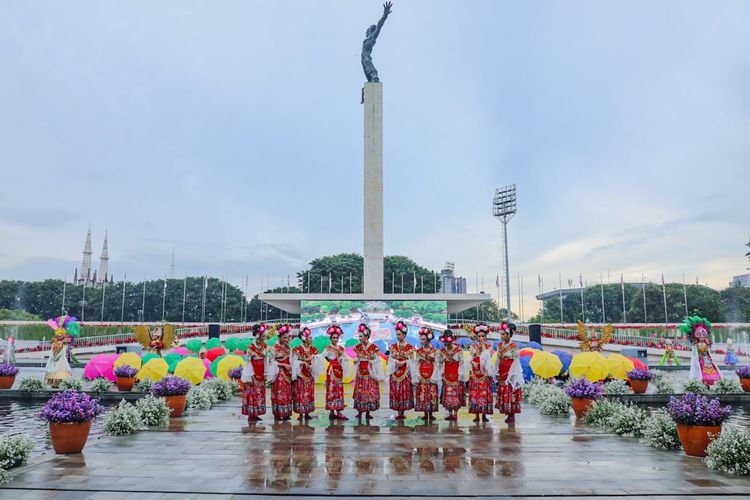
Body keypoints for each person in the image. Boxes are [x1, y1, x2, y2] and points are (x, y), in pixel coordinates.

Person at [291, 327, 324, 420]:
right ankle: (301, 414)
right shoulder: (298, 349)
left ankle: (307, 413)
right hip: (301, 375)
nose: (311, 339)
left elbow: (319, 359)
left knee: (309, 393)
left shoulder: (313, 350)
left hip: (310, 375)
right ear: (304, 339)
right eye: (310, 338)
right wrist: (303, 362)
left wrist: (314, 358)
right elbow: (294, 362)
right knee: (301, 393)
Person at [494, 322, 524, 424]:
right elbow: (497, 359)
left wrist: (512, 374)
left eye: (503, 334)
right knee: (504, 391)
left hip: (511, 371)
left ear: (509, 334)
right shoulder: (499, 345)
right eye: (501, 334)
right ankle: (507, 412)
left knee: (511, 391)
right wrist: (496, 371)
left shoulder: (514, 346)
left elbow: (516, 361)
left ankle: (512, 414)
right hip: (502, 371)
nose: (501, 336)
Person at [353, 323, 383, 419]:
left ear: (366, 336)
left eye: (361, 336)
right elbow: (356, 357)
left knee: (369, 391)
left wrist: (371, 360)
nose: (359, 338)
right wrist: (355, 359)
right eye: (359, 336)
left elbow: (378, 360)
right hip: (360, 372)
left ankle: (367, 413)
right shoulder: (357, 347)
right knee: (360, 391)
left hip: (370, 373)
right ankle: (360, 411)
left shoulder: (374, 347)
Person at [241, 323, 269, 422]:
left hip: (261, 372)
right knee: (252, 392)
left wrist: (266, 373)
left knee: (259, 393)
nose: (265, 338)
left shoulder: (265, 346)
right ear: (258, 335)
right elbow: (248, 363)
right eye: (263, 336)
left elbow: (265, 360)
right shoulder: (251, 348)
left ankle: (256, 413)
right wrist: (252, 376)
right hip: (252, 371)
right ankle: (251, 414)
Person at [466, 323, 494, 422]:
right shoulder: (473, 346)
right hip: (474, 374)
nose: (481, 338)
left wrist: (483, 347)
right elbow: (469, 357)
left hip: (484, 374)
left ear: (486, 336)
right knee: (475, 393)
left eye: (483, 336)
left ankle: (484, 415)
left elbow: (488, 357)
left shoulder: (489, 346)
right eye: (479, 336)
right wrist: (472, 362)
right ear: (476, 336)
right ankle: (476, 415)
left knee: (484, 393)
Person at [682, 316, 721, 387]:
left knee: (710, 371)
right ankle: (703, 382)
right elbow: (695, 354)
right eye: (701, 337)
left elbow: (708, 351)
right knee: (701, 371)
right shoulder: (696, 345)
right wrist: (699, 357)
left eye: (704, 337)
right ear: (698, 337)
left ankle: (709, 381)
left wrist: (708, 357)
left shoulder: (706, 343)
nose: (702, 338)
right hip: (700, 360)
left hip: (707, 360)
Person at [436, 329, 466, 421]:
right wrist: (440, 375)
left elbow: (462, 364)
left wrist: (461, 376)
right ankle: (449, 413)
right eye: (445, 343)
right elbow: (439, 364)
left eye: (448, 343)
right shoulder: (441, 351)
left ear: (452, 341)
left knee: (456, 395)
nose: (447, 345)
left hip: (456, 376)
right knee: (448, 394)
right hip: (446, 376)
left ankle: (455, 414)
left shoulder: (459, 351)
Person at [387, 321, 414, 419]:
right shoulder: (393, 346)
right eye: (396, 334)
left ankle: (402, 412)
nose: (397, 336)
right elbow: (390, 359)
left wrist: (404, 362)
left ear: (404, 335)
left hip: (405, 373)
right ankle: (398, 412)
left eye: (399, 334)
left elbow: (412, 361)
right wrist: (395, 362)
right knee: (396, 392)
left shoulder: (410, 348)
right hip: (395, 373)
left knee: (404, 391)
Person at [412, 327, 439, 422]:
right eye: (421, 339)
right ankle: (425, 412)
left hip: (431, 374)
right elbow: (416, 363)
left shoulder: (435, 351)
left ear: (428, 339)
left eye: (423, 339)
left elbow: (437, 364)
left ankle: (431, 413)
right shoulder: (419, 351)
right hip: (421, 374)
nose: (422, 341)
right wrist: (418, 375)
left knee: (431, 394)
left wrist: (433, 376)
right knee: (423, 393)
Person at [268, 324, 294, 420]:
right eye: (284, 338)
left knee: (287, 393)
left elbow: (291, 359)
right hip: (279, 373)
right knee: (279, 393)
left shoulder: (288, 347)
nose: (286, 339)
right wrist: (283, 365)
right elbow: (270, 361)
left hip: (288, 373)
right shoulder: (274, 348)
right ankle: (278, 413)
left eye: (287, 337)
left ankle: (286, 413)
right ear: (279, 337)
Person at [323, 325, 349, 420]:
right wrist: (330, 361)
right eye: (333, 337)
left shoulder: (341, 348)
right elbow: (323, 356)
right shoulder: (328, 348)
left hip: (339, 371)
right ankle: (331, 411)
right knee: (331, 390)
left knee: (338, 390)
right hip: (331, 371)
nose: (335, 339)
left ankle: (338, 411)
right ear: (330, 338)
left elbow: (346, 358)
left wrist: (341, 359)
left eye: (337, 337)